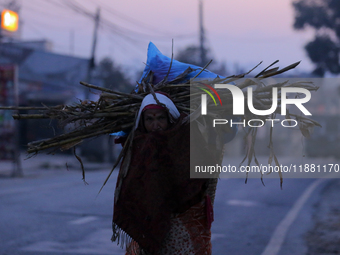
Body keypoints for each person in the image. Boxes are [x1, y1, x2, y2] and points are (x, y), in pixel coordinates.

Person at [112, 92, 218, 255]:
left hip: (183, 218)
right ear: (143, 121)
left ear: (169, 118)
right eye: (150, 119)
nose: (156, 125)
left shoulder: (185, 138)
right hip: (149, 218)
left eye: (160, 118)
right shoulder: (138, 143)